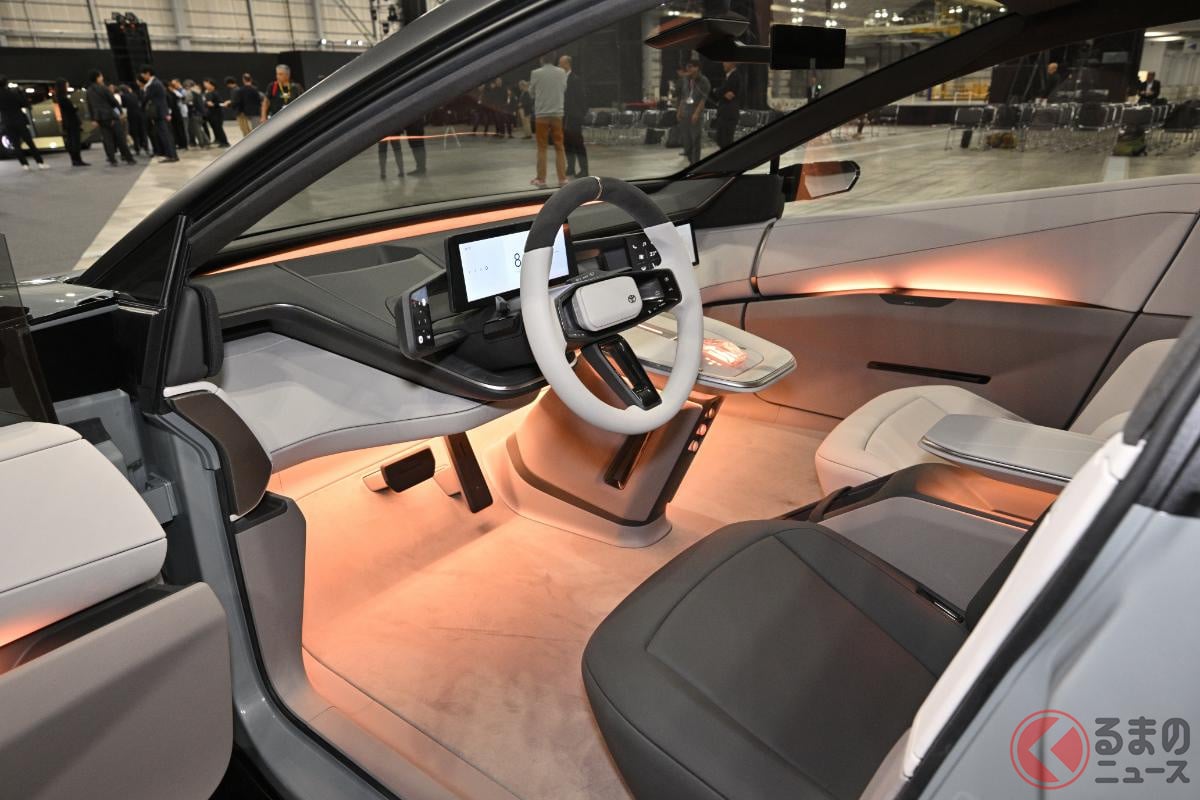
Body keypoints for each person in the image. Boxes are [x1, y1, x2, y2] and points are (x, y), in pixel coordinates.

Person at [529, 53, 569, 188]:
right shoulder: (562, 72)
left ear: (542, 59)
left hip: (542, 114)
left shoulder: (535, 73)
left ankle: (541, 179)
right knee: (559, 146)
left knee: (542, 147)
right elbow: (564, 88)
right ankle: (562, 178)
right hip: (557, 114)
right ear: (554, 59)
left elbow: (531, 93)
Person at [86, 69, 136, 166]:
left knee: (107, 139)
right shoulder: (103, 88)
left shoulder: (89, 91)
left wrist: (93, 119)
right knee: (120, 138)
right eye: (101, 76)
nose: (102, 78)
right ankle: (128, 158)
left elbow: (90, 106)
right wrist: (120, 112)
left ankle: (112, 160)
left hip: (100, 118)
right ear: (97, 78)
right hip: (111, 116)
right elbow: (113, 102)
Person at [0, 76, 47, 170]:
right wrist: (21, 93)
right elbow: (25, 104)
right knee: (29, 142)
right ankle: (40, 162)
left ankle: (24, 164)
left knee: (16, 144)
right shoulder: (13, 93)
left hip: (7, 122)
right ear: (6, 83)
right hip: (19, 120)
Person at [138, 64, 178, 162]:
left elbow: (146, 98)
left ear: (148, 73)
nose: (143, 77)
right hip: (161, 112)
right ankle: (171, 155)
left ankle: (171, 156)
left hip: (159, 113)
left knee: (164, 135)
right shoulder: (156, 83)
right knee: (165, 134)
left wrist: (142, 108)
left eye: (143, 74)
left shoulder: (154, 84)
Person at [558, 55, 588, 178]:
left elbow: (582, 98)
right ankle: (570, 167)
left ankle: (584, 170)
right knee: (567, 143)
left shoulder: (575, 79)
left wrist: (581, 114)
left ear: (567, 64)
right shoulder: (561, 79)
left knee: (578, 144)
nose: (559, 66)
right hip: (564, 116)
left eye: (560, 64)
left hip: (574, 117)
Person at [676, 58, 710, 163]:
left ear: (697, 68)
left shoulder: (704, 81)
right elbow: (683, 96)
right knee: (687, 142)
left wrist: (696, 113)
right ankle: (691, 162)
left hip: (695, 114)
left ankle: (695, 163)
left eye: (690, 66)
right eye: (687, 67)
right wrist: (679, 110)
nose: (688, 69)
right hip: (685, 112)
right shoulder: (686, 80)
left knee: (695, 140)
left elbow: (703, 99)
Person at [54, 78, 88, 167]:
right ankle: (77, 160)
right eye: (66, 84)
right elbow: (71, 109)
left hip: (67, 122)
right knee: (75, 141)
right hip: (72, 122)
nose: (68, 85)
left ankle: (75, 160)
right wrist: (75, 107)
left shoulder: (59, 97)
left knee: (71, 140)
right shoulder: (64, 98)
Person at [714, 60, 744, 149]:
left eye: (726, 62)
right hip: (723, 113)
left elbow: (727, 94)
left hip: (729, 113)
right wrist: (721, 92)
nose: (723, 64)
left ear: (732, 63)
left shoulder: (735, 76)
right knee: (720, 140)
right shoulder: (728, 76)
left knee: (726, 141)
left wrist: (717, 90)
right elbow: (724, 91)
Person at [120, 83, 149, 155]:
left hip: (131, 115)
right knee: (142, 130)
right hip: (139, 113)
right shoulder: (134, 94)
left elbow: (124, 105)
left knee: (134, 132)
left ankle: (137, 148)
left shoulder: (123, 96)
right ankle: (146, 147)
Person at [202, 78, 230, 148]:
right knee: (215, 128)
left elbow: (220, 103)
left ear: (212, 85)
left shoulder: (215, 93)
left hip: (217, 114)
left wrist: (213, 104)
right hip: (211, 114)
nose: (206, 85)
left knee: (219, 128)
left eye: (207, 84)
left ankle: (225, 142)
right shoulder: (207, 93)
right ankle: (219, 140)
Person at [183, 79, 210, 147]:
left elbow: (185, 101)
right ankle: (207, 141)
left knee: (197, 130)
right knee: (199, 129)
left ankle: (202, 143)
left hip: (194, 114)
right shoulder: (199, 92)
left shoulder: (190, 93)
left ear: (187, 86)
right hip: (201, 114)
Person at [166, 79, 188, 150]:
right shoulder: (172, 93)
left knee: (181, 129)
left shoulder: (175, 92)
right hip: (175, 114)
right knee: (176, 130)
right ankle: (180, 144)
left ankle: (184, 144)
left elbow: (182, 98)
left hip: (178, 113)